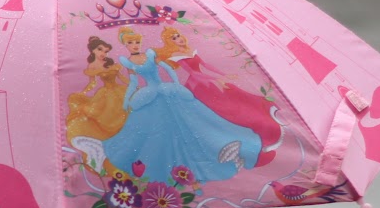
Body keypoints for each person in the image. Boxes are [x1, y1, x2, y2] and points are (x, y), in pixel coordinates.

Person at [101, 27, 265, 186]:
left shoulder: (150, 55)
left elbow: (167, 69)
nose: (135, 45)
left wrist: (176, 84)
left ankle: (203, 157)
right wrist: (127, 100)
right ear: (125, 45)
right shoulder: (128, 62)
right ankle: (165, 166)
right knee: (156, 131)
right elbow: (133, 82)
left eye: (137, 41)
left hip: (167, 91)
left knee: (190, 122)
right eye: (131, 43)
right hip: (150, 94)